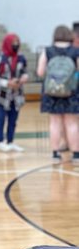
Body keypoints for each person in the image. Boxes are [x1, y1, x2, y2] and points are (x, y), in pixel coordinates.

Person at [37, 24, 79, 164]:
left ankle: (55, 153)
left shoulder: (47, 51)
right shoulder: (75, 51)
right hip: (71, 91)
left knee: (55, 123)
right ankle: (76, 154)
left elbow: (40, 72)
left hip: (52, 91)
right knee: (72, 123)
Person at [0, 33, 28, 153]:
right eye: (13, 42)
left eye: (17, 42)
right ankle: (0, 141)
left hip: (17, 94)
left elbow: (25, 72)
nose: (16, 44)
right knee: (1, 119)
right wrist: (7, 83)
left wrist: (23, 78)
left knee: (13, 120)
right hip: (2, 95)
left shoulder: (21, 58)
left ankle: (10, 141)